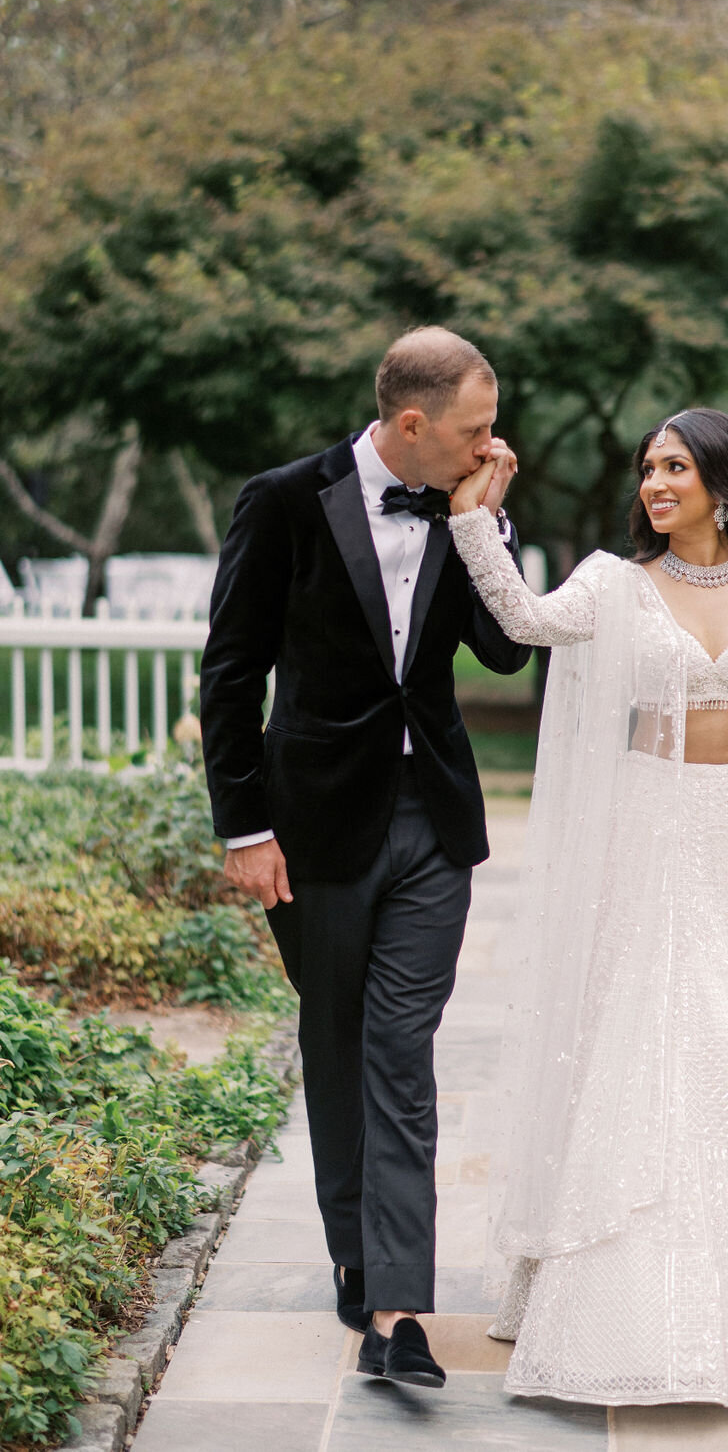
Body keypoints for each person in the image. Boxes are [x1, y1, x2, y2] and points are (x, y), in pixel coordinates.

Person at [446, 407, 728, 1410]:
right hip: (647, 830)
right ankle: (610, 1280)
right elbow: (522, 623)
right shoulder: (615, 584)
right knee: (655, 1031)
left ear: (722, 481)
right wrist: (476, 520)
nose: (655, 484)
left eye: (675, 468)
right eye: (647, 468)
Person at [199, 327, 531, 1390]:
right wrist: (245, 829)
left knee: (400, 1048)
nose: (493, 444)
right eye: (475, 431)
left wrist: (489, 523)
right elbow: (231, 670)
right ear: (411, 424)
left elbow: (505, 649)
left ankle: (396, 1308)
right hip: (312, 828)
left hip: (430, 817)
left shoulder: (466, 502)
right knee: (336, 1042)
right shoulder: (283, 500)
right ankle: (359, 1253)